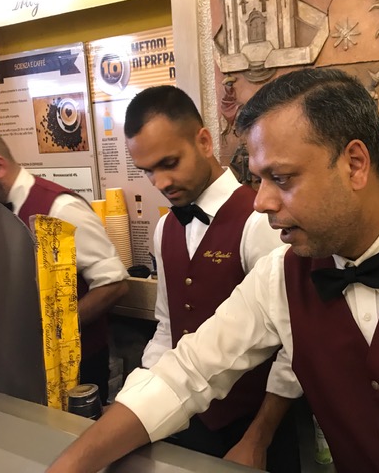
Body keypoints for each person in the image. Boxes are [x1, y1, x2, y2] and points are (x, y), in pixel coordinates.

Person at [48, 68, 379, 473]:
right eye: (258, 178)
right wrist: (72, 463)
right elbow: (185, 374)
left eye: (282, 178)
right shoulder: (279, 276)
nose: (262, 202)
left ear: (355, 164)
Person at [122, 85, 300, 472]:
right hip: (188, 421)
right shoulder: (165, 227)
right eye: (148, 171)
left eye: (170, 162)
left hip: (253, 426)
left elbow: (294, 345)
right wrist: (134, 401)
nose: (161, 183)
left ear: (204, 141)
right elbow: (167, 327)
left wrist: (259, 437)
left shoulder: (258, 222)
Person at [0, 129, 128, 404]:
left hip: (77, 369)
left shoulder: (61, 207)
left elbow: (113, 284)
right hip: (18, 367)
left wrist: (52, 331)